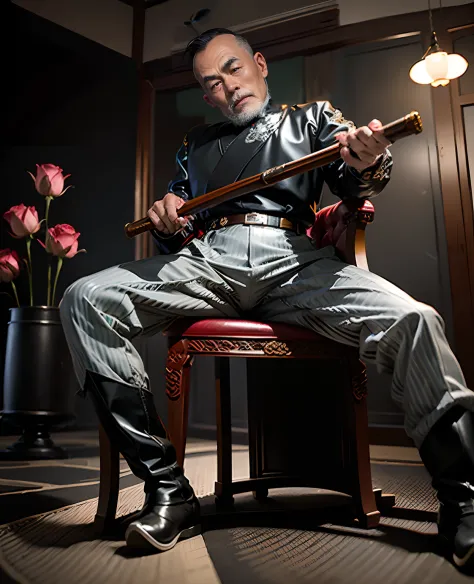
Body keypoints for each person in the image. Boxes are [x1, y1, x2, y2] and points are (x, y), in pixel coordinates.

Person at [60, 28, 474, 568]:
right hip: (210, 260)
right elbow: (179, 228)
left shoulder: (314, 118)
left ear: (259, 64)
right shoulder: (196, 145)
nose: (227, 88)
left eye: (233, 69)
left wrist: (367, 162)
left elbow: (360, 183)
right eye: (211, 83)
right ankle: (169, 491)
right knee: (85, 297)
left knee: (415, 319)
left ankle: (463, 500)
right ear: (206, 96)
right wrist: (166, 219)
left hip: (295, 259)